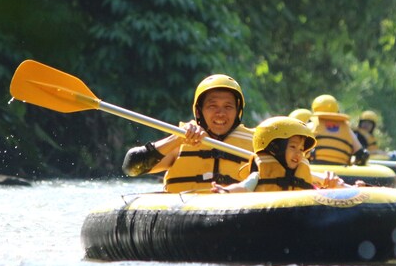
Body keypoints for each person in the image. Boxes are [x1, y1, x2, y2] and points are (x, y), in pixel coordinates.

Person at [122, 74, 254, 192]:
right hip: (184, 213)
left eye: (228, 107)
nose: (221, 114)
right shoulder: (179, 142)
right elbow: (131, 167)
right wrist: (178, 139)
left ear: (238, 112)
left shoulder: (256, 145)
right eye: (212, 106)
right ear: (198, 112)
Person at [212, 116, 345, 192]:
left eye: (301, 149)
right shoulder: (260, 174)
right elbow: (243, 187)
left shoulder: (303, 175)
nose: (298, 154)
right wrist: (226, 191)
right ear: (274, 148)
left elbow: (317, 195)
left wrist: (333, 187)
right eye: (292, 147)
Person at [308, 94, 369, 166]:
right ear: (337, 110)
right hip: (341, 169)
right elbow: (362, 154)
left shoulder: (311, 126)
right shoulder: (346, 129)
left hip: (317, 168)